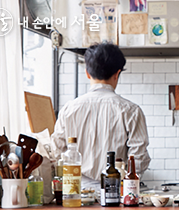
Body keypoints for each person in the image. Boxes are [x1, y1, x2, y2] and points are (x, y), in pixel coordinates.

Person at [52, 42, 150, 190]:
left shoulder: (69, 109)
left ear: (87, 73)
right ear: (117, 74)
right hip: (116, 192)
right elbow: (139, 158)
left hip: (76, 192)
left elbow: (57, 152)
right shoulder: (131, 111)